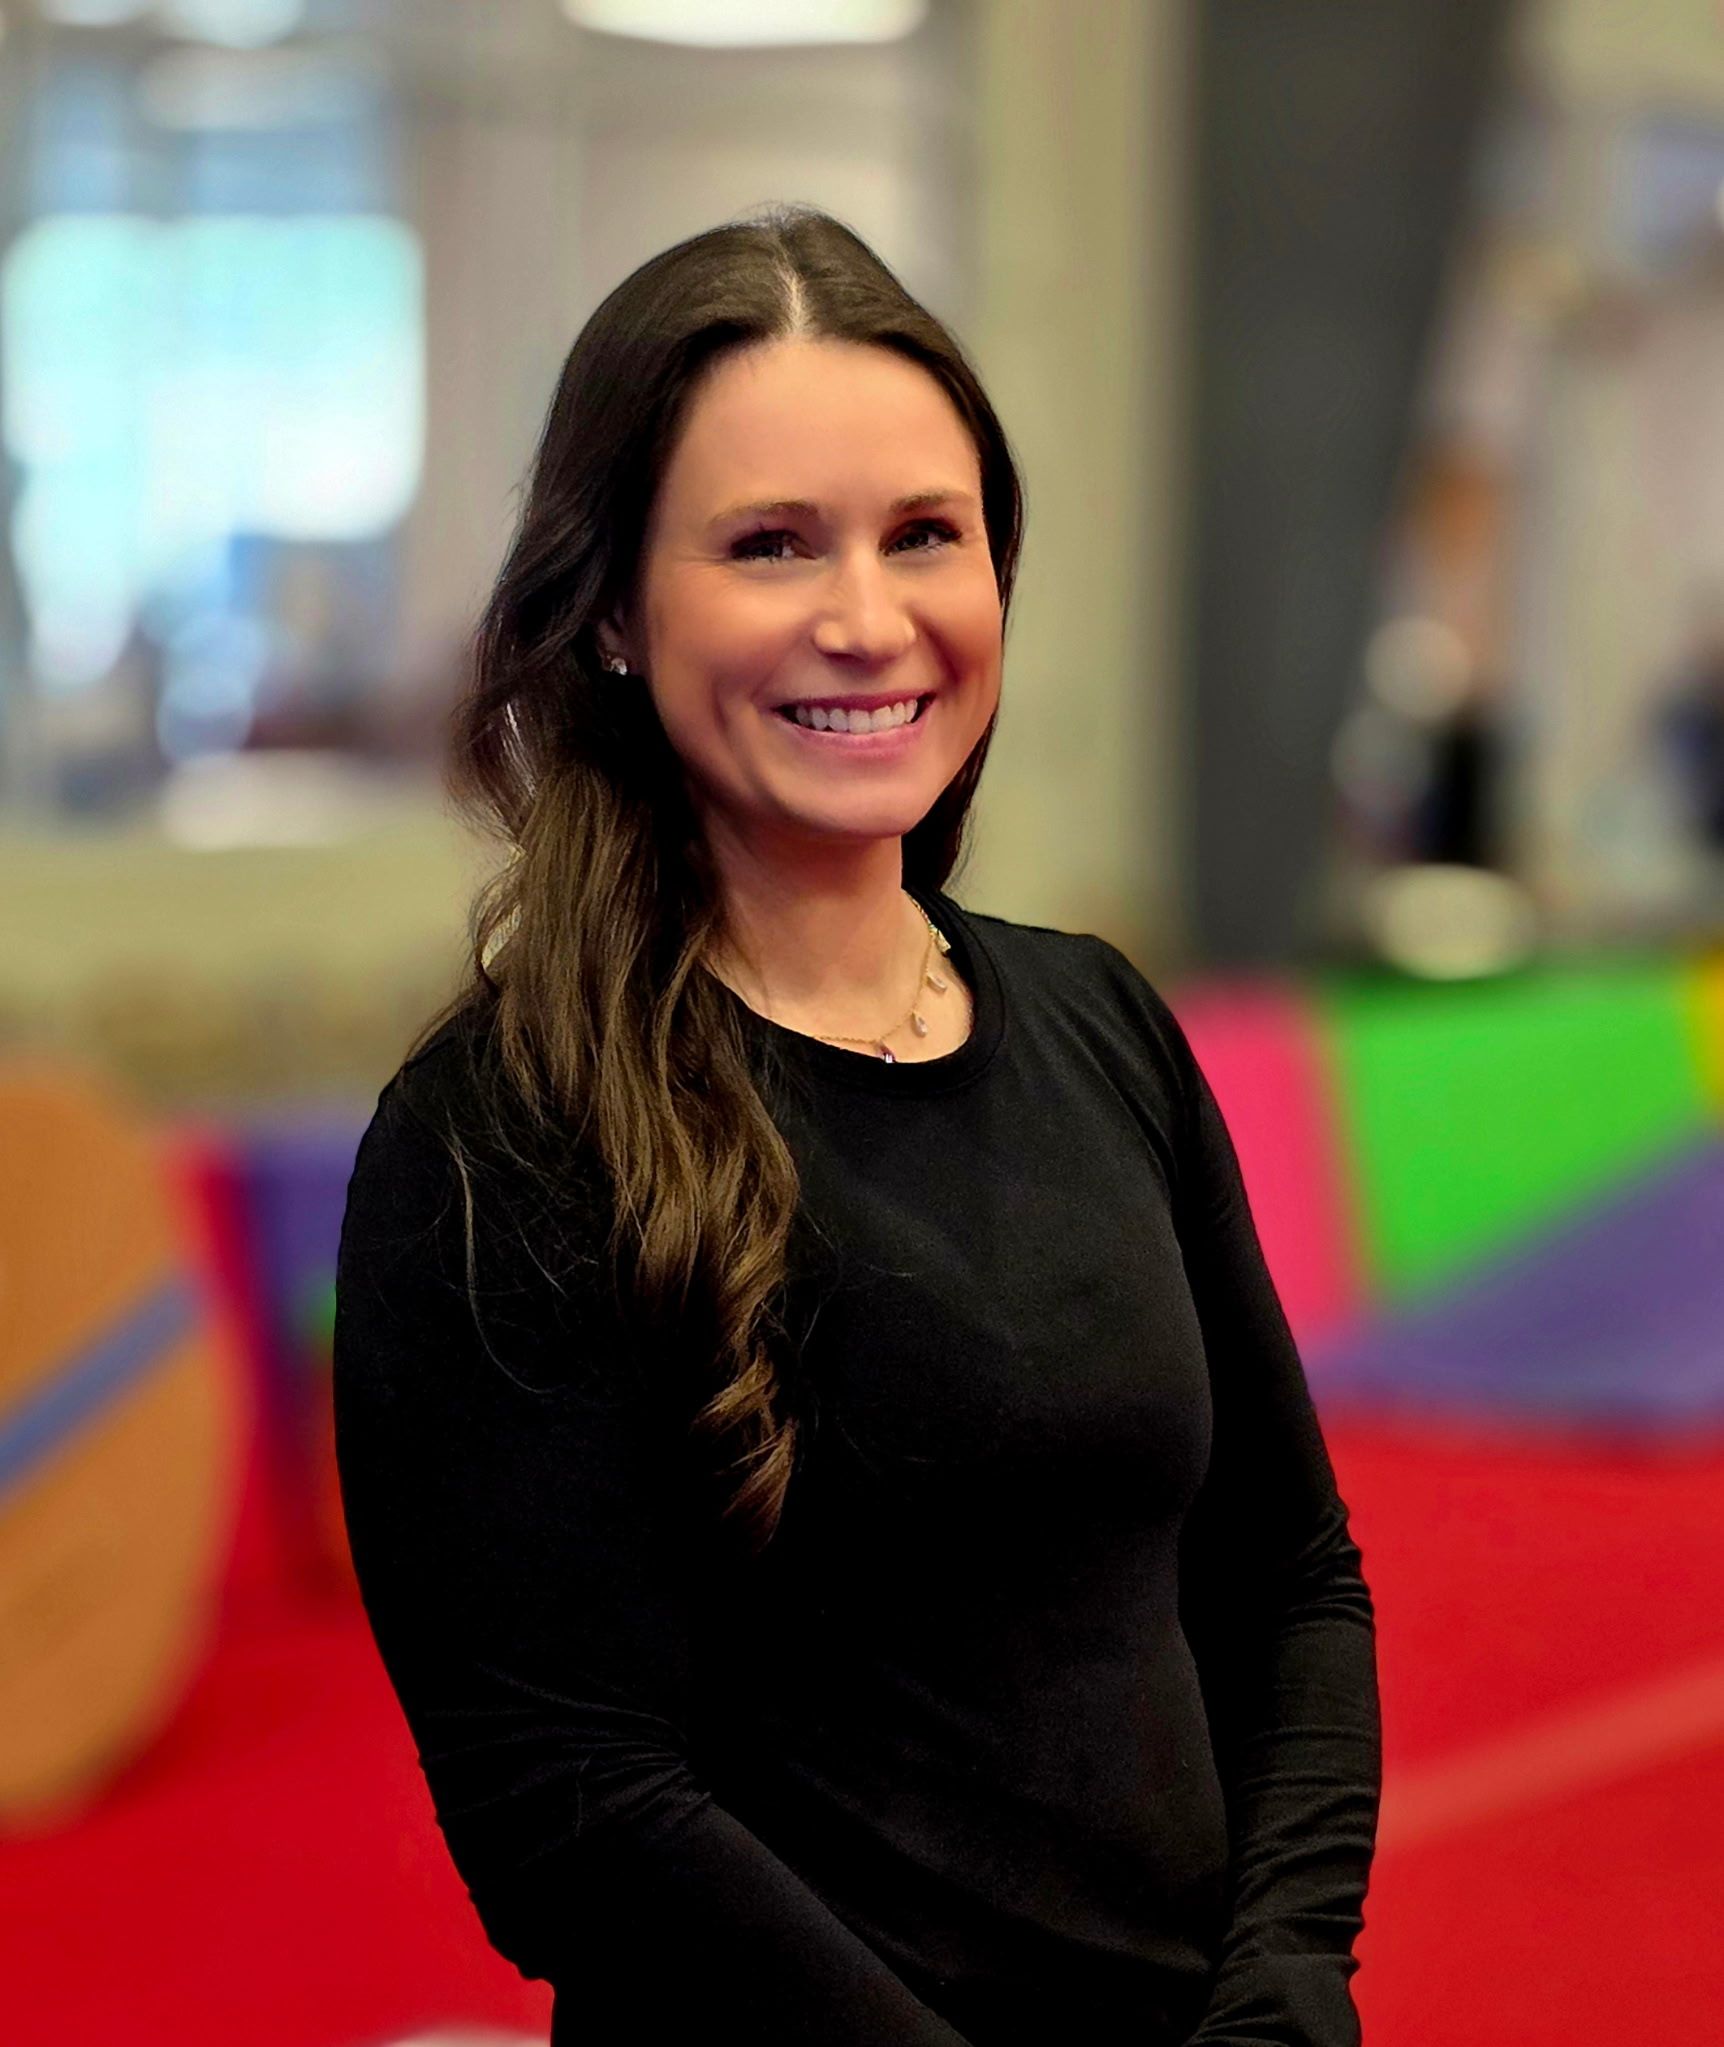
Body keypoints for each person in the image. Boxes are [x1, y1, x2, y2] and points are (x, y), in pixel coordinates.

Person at [332, 202, 1381, 2047]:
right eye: (769, 546)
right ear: (605, 619)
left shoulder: (1099, 1023)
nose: (868, 618)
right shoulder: (499, 1137)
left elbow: (1287, 1581)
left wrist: (1285, 1990)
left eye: (926, 536)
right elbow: (567, 1800)